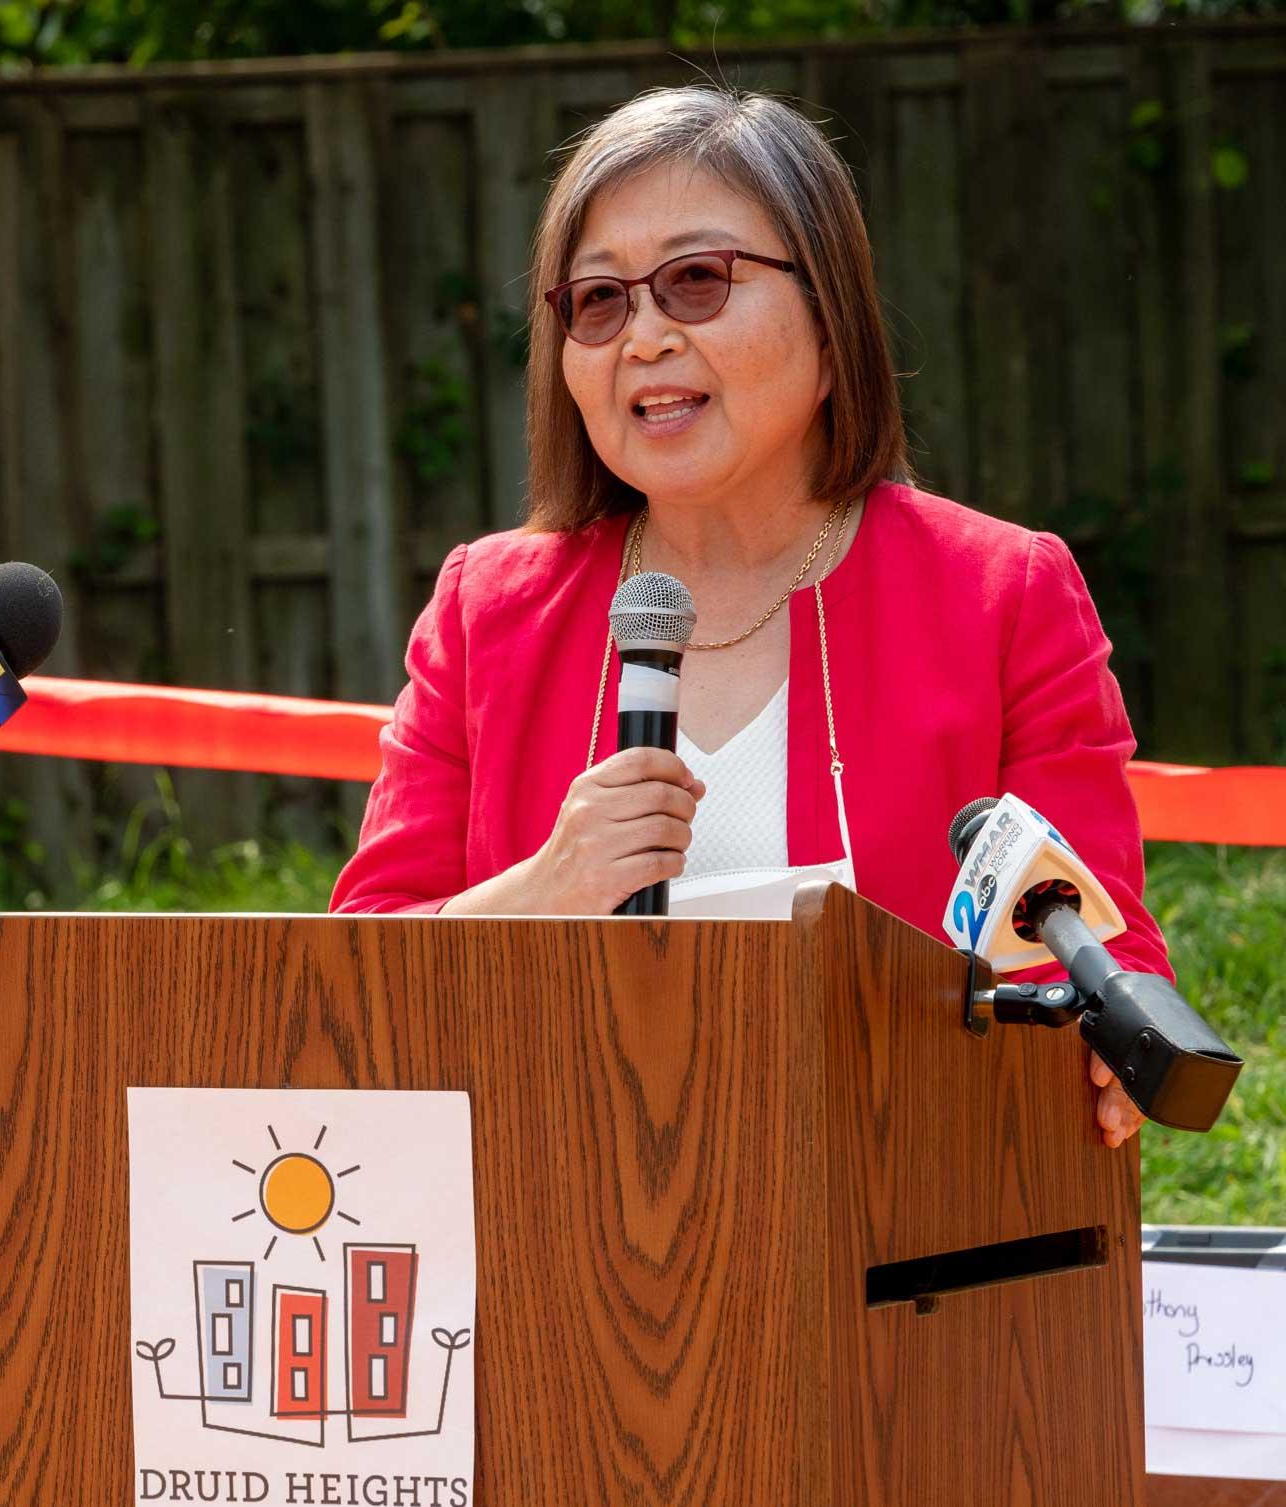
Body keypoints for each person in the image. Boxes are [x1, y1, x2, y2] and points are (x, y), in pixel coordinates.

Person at [330, 85, 1168, 1150]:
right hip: (546, 1231)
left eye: (695, 281)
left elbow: (1109, 957)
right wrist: (541, 893)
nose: (642, 338)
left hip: (903, 1234)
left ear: (829, 310)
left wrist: (1114, 1039)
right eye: (598, 301)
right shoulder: (486, 612)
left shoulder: (1003, 594)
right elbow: (350, 990)